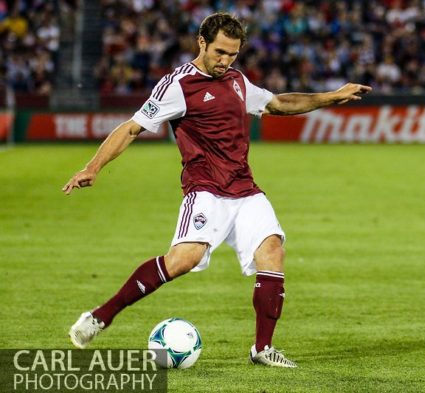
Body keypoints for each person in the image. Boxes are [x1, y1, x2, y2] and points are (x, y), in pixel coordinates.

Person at [63, 12, 371, 368]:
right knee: (183, 260)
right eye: (220, 52)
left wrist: (333, 96)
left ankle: (262, 348)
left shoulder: (238, 81)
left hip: (245, 188)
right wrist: (94, 166)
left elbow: (278, 104)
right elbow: (132, 128)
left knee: (272, 251)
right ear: (202, 43)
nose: (225, 61)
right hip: (205, 188)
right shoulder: (177, 85)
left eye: (233, 54)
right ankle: (101, 316)